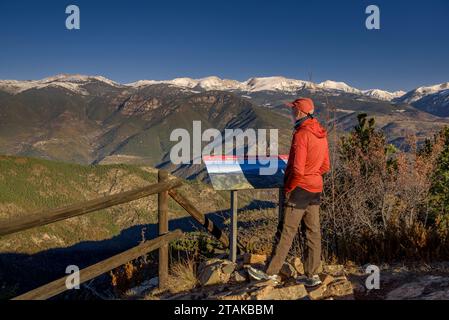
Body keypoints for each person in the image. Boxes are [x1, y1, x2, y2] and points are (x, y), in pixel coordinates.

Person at [248, 98, 331, 287]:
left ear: (300, 112)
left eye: (293, 110)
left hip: (300, 188)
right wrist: (313, 175)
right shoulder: (320, 133)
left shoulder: (302, 134)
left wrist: (289, 187)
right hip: (316, 187)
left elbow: (298, 169)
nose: (291, 113)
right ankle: (312, 274)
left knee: (286, 231)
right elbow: (325, 165)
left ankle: (270, 273)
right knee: (313, 232)